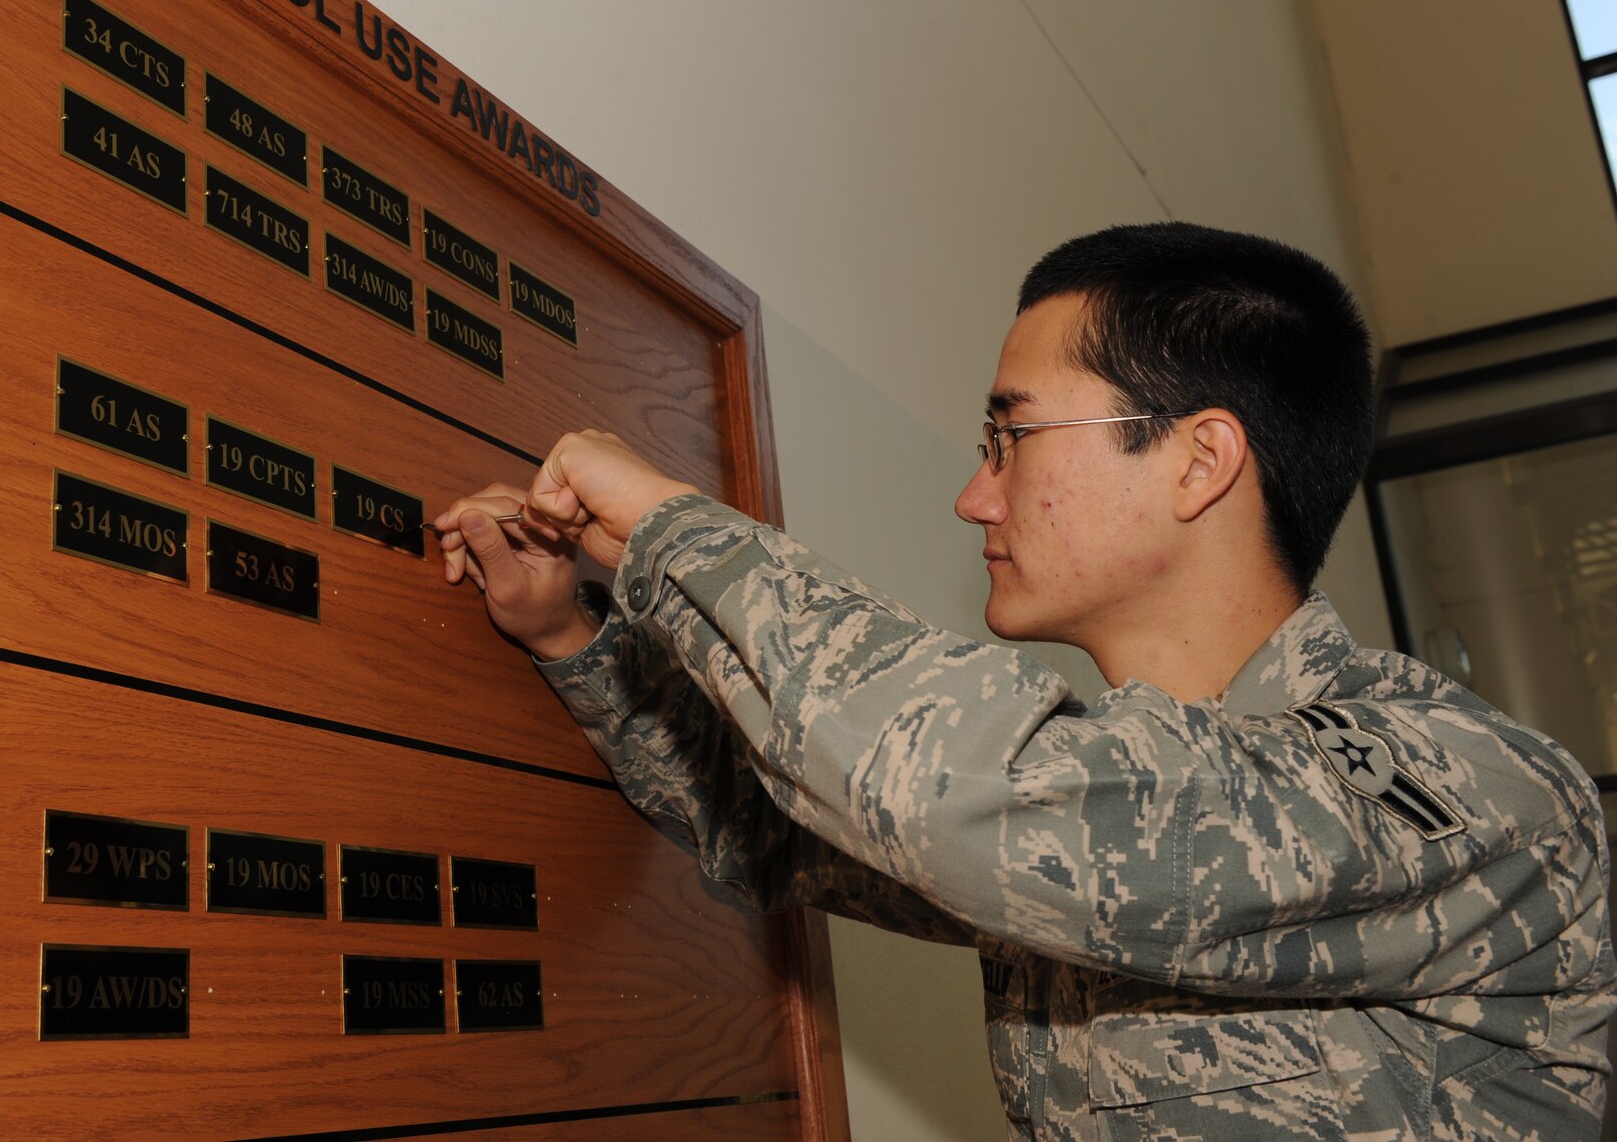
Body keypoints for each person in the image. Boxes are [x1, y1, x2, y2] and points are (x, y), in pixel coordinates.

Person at [432, 223, 1615, 1140]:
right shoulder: (1099, 792)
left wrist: (666, 525)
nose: (974, 493)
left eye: (1011, 436)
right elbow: (774, 825)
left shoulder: (1473, 789)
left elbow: (950, 794)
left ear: (1198, 459)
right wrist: (571, 636)